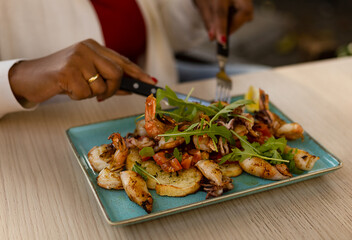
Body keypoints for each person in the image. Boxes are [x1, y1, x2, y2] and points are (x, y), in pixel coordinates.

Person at [0, 0, 253, 118]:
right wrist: (17, 77)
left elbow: (156, 29)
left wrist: (196, 7)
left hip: (158, 96)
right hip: (44, 149)